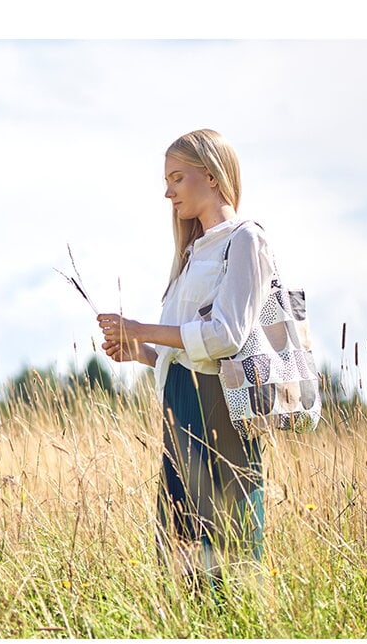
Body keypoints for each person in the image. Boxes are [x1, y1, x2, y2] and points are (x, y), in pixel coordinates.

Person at [98, 128, 275, 587]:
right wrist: (143, 351)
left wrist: (142, 328)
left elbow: (226, 336)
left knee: (224, 543)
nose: (168, 190)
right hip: (180, 402)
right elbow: (187, 351)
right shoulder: (193, 252)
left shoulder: (245, 239)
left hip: (218, 403)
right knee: (179, 546)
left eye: (178, 177)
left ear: (213, 177)